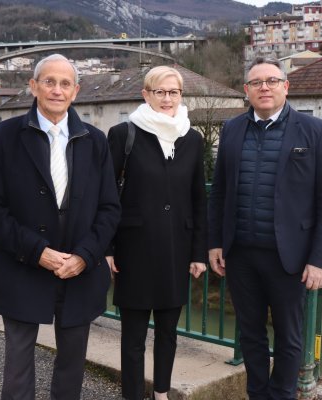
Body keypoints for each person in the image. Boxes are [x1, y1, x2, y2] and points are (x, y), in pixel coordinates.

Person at [0, 53, 121, 400]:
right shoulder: (4, 136)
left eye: (64, 83)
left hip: (79, 273)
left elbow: (109, 208)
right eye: (48, 81)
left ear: (76, 90)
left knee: (72, 366)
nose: (56, 90)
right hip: (21, 267)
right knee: (17, 367)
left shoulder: (95, 140)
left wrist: (86, 256)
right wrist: (37, 252)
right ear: (34, 86)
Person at [207, 57, 322, 400]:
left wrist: (321, 259)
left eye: (271, 81)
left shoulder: (315, 131)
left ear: (286, 86)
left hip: (290, 258)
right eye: (256, 83)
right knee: (250, 334)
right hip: (240, 254)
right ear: (246, 91)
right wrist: (215, 243)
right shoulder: (232, 129)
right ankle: (256, 393)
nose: (264, 87)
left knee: (289, 336)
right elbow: (219, 191)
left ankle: (281, 395)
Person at [106, 66, 208, 400]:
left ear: (181, 96)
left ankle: (161, 393)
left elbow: (198, 199)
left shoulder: (192, 139)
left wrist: (198, 253)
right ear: (146, 94)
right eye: (160, 91)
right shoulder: (124, 134)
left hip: (176, 250)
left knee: (168, 332)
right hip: (133, 250)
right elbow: (106, 196)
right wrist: (107, 247)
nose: (167, 99)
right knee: (133, 337)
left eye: (174, 92)